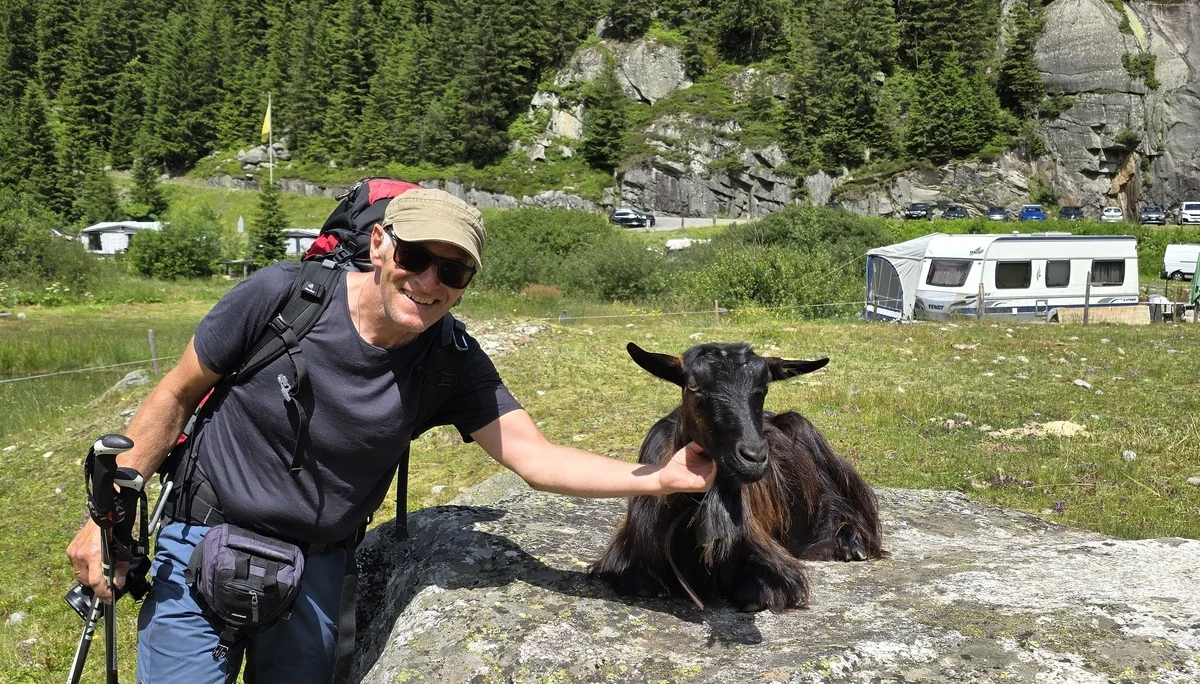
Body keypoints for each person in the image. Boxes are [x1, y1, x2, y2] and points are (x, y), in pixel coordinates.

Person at [65, 188, 714, 683]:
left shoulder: (451, 360)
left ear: (467, 285)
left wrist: (656, 478)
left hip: (315, 570)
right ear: (379, 245)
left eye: (453, 272)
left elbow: (535, 459)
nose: (429, 282)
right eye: (415, 257)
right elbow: (176, 393)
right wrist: (106, 518)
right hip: (198, 542)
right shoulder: (280, 298)